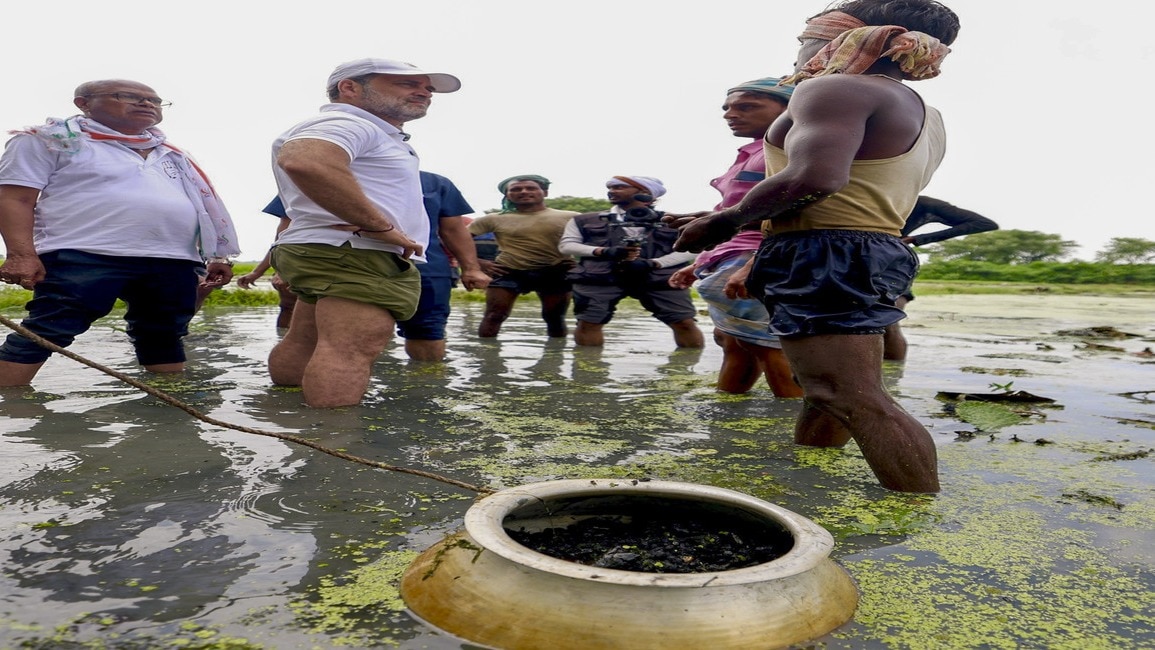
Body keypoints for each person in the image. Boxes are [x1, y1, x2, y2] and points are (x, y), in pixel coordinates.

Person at [667, 0, 961, 493]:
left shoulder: (836, 88)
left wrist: (726, 220)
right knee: (826, 392)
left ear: (846, 39)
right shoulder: (922, 110)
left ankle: (918, 518)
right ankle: (809, 485)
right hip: (868, 246)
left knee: (852, 395)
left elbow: (817, 177)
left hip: (825, 252)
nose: (801, 54)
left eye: (805, 40)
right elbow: (864, 189)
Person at [0, 79, 239, 386]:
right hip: (83, 253)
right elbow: (15, 198)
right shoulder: (49, 139)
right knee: (47, 329)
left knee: (166, 332)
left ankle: (170, 415)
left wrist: (219, 255)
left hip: (173, 257)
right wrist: (21, 254)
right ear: (83, 104)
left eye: (155, 100)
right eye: (128, 96)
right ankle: (9, 405)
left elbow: (202, 207)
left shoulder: (171, 152)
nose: (146, 104)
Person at [267, 58, 459, 408]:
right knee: (349, 349)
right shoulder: (350, 122)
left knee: (305, 339)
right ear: (350, 88)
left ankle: (282, 411)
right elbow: (304, 160)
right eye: (406, 83)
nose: (424, 92)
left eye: (428, 88)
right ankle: (334, 449)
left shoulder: (365, 129)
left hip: (321, 246)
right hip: (355, 251)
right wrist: (380, 227)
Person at [669, 78, 802, 396]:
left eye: (747, 106)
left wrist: (755, 264)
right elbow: (732, 214)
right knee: (736, 342)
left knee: (771, 346)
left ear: (790, 108)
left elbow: (797, 212)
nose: (731, 114)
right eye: (727, 108)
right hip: (732, 258)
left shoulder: (787, 148)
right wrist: (700, 262)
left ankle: (790, 427)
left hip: (758, 258)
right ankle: (728, 413)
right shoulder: (754, 151)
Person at [561, 176, 703, 348]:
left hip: (659, 278)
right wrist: (603, 251)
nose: (612, 191)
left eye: (620, 187)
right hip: (599, 277)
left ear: (645, 192)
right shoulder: (585, 220)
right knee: (588, 323)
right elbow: (567, 246)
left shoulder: (675, 221)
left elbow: (692, 250)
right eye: (611, 187)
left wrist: (654, 263)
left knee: (684, 323)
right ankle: (586, 368)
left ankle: (688, 368)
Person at [884, 195, 998, 359]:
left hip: (894, 264)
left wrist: (916, 239)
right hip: (850, 257)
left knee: (888, 319)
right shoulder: (855, 195)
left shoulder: (922, 202)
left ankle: (893, 376)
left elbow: (985, 223)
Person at [467, 175, 578, 338]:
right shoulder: (493, 219)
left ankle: (555, 359)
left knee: (554, 318)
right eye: (516, 189)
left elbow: (596, 242)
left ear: (545, 192)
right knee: (493, 316)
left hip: (556, 270)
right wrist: (478, 263)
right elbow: (452, 239)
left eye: (531, 188)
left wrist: (583, 265)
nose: (524, 191)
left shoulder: (570, 217)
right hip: (508, 270)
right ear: (507, 195)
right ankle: (487, 360)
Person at [233, 197, 298, 329]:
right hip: (297, 262)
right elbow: (283, 237)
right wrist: (260, 272)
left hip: (339, 257)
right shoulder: (294, 187)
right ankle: (283, 342)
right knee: (289, 307)